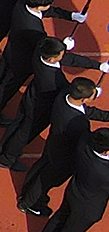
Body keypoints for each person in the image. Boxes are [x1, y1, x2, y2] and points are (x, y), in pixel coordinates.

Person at [21, 81, 109, 218]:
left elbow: (86, 111)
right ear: (84, 99)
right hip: (63, 156)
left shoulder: (64, 95)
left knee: (41, 168)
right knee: (46, 180)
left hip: (54, 144)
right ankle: (28, 203)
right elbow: (88, 139)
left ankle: (27, 191)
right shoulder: (78, 123)